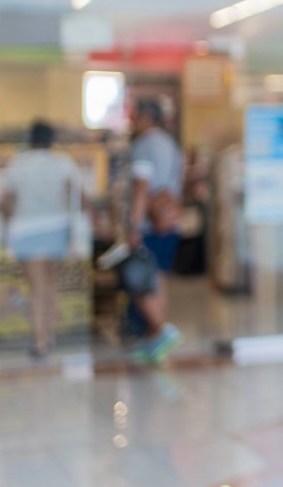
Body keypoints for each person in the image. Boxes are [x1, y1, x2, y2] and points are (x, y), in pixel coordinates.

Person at [106, 97, 183, 364]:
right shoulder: (170, 144)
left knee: (139, 279)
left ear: (144, 118)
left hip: (150, 224)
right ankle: (156, 337)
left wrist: (134, 226)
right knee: (157, 278)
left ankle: (162, 330)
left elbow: (141, 187)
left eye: (134, 116)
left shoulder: (144, 145)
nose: (132, 122)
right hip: (169, 221)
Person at [0, 120, 81, 358]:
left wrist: (6, 226)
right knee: (50, 286)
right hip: (57, 230)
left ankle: (40, 340)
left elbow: (6, 200)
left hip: (27, 231)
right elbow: (73, 197)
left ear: (30, 138)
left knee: (36, 288)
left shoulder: (18, 164)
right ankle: (50, 335)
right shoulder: (63, 163)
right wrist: (73, 233)